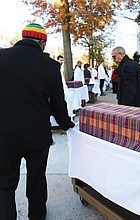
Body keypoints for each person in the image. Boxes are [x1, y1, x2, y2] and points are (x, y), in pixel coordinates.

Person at [0, 23, 75, 220]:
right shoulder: (50, 66)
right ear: (42, 42)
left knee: (5, 184)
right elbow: (58, 104)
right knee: (36, 180)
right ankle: (37, 215)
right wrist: (68, 125)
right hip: (37, 137)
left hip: (5, 135)